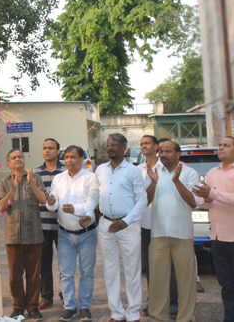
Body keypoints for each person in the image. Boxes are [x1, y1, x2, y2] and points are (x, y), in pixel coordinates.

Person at [81, 133, 147, 322]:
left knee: (132, 270)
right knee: (110, 270)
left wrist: (127, 220)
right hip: (106, 225)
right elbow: (93, 195)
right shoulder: (100, 169)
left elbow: (142, 199)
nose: (110, 148)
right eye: (108, 145)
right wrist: (87, 213)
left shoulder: (133, 171)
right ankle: (116, 313)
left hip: (128, 225)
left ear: (124, 147)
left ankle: (133, 313)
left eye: (115, 145)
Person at [193, 137, 234, 322]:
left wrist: (211, 194)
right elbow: (202, 203)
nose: (221, 148)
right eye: (220, 145)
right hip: (218, 238)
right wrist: (206, 198)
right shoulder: (213, 172)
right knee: (227, 286)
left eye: (226, 145)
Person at [146, 140, 199, 322]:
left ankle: (185, 317)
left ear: (178, 154)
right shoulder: (154, 173)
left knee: (186, 281)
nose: (163, 155)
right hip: (159, 233)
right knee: (158, 281)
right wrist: (153, 183)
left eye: (168, 151)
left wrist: (176, 182)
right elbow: (145, 201)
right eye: (161, 151)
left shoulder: (190, 173)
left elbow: (193, 202)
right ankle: (157, 317)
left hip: (182, 234)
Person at [46, 145, 98, 322]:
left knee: (87, 272)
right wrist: (51, 202)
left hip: (87, 234)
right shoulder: (58, 179)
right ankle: (69, 306)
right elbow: (52, 204)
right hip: (65, 234)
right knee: (66, 273)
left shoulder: (91, 178)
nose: (69, 160)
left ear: (82, 159)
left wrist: (76, 209)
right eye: (66, 157)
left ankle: (84, 307)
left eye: (73, 157)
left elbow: (92, 202)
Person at [0, 149, 47, 320]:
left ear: (24, 161)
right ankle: (18, 307)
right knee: (15, 276)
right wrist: (11, 191)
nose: (17, 159)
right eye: (13, 158)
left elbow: (43, 200)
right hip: (13, 236)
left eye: (20, 157)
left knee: (34, 275)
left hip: (34, 235)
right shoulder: (4, 182)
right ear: (8, 163)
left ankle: (33, 307)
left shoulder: (35, 178)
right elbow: (1, 207)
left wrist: (31, 184)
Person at [33, 138, 67, 310]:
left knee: (65, 264)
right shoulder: (36, 173)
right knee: (44, 263)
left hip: (63, 226)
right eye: (45, 148)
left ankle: (65, 296)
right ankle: (46, 296)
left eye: (51, 148)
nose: (47, 151)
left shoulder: (66, 171)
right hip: (43, 226)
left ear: (58, 151)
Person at [137, 134, 162, 316]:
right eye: (142, 144)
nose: (144, 146)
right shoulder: (137, 170)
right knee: (151, 267)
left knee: (170, 266)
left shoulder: (167, 167)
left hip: (166, 223)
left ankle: (173, 303)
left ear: (156, 146)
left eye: (147, 143)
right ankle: (153, 303)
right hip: (145, 224)